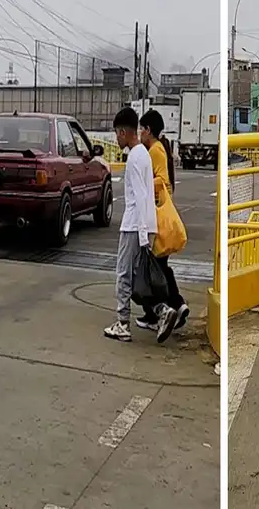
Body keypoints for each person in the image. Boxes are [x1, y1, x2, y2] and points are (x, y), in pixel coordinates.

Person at [103, 107, 180, 344]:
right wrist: (148, 231)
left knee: (124, 274)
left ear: (125, 132)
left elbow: (140, 196)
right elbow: (148, 195)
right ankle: (161, 310)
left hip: (133, 226)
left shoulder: (135, 158)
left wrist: (143, 232)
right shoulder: (144, 155)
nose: (116, 138)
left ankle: (123, 323)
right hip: (143, 226)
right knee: (139, 278)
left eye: (117, 133)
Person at [136, 109, 191, 332]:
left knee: (152, 269)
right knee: (160, 267)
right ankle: (177, 305)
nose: (139, 133)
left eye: (141, 129)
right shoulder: (157, 149)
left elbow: (162, 180)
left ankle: (160, 311)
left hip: (157, 216)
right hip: (160, 212)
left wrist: (144, 182)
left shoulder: (155, 151)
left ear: (148, 130)